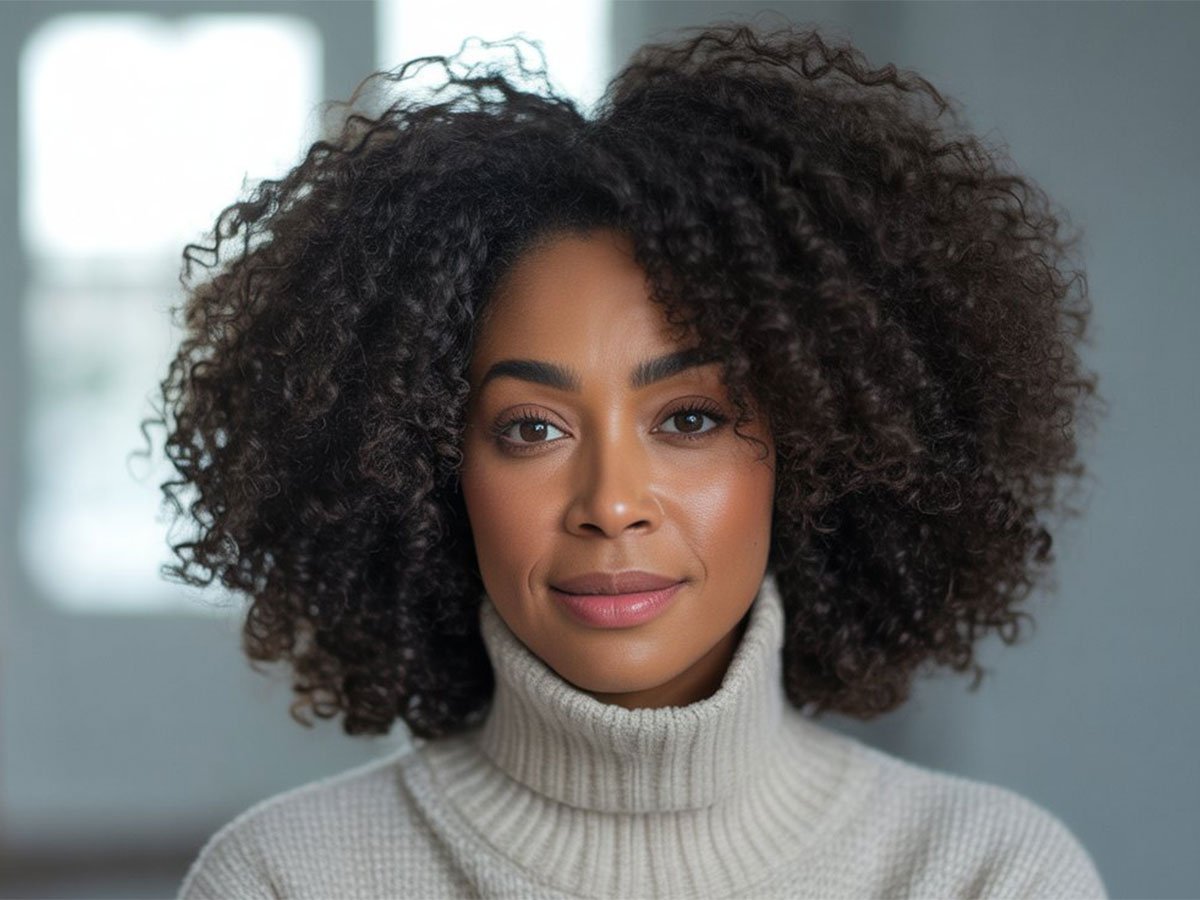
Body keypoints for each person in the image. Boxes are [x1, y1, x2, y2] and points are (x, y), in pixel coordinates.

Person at [152, 20, 1107, 899]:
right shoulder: (285, 880)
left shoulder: (984, 874)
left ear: (815, 449)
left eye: (689, 419)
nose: (611, 505)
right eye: (530, 428)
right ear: (429, 469)